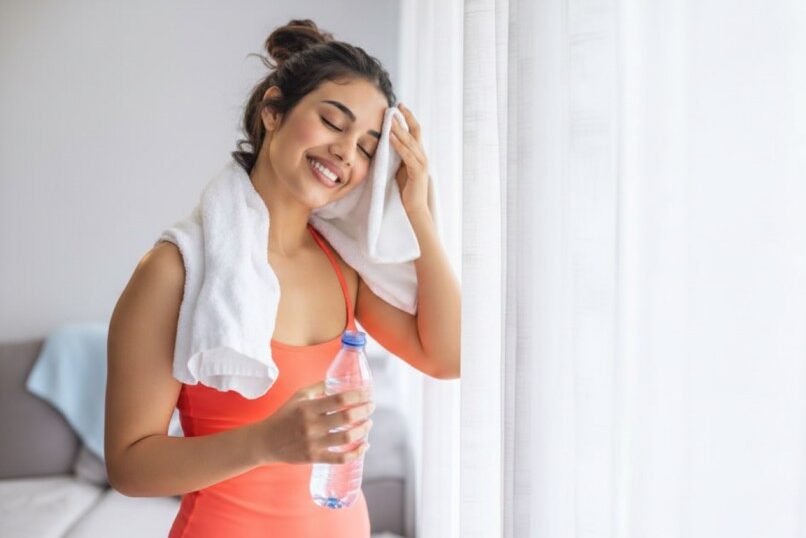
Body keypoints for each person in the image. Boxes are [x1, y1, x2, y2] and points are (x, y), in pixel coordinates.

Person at [104, 18, 460, 537]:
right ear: (273, 110)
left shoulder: (344, 268)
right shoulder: (175, 269)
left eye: (366, 147)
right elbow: (129, 467)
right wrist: (267, 442)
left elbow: (448, 357)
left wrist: (419, 212)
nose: (345, 151)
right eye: (334, 122)